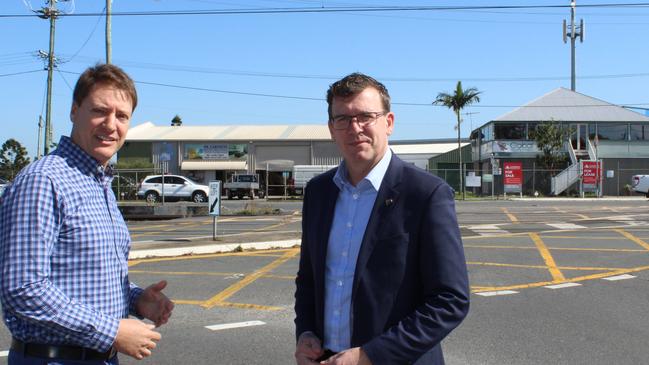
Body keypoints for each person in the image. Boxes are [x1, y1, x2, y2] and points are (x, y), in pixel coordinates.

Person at [0, 64, 174, 364]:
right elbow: (22, 288)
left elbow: (86, 277)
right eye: (99, 111)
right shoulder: (45, 180)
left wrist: (135, 299)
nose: (111, 125)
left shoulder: (99, 183)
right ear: (74, 111)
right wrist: (112, 331)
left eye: (122, 116)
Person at [294, 73, 470, 365]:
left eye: (366, 116)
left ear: (388, 123)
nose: (355, 128)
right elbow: (309, 280)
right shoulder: (318, 192)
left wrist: (369, 356)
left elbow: (450, 300)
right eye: (343, 119)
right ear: (331, 129)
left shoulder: (426, 194)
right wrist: (306, 333)